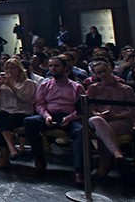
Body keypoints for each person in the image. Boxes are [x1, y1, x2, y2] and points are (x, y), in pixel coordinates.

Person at [24, 55, 85, 184]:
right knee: (29, 121)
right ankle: (39, 158)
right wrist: (47, 116)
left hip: (70, 117)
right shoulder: (45, 84)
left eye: (56, 66)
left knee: (80, 132)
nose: (53, 69)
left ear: (65, 68)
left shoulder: (76, 86)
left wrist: (69, 118)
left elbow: (82, 110)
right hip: (50, 115)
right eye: (50, 66)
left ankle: (79, 171)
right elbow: (39, 104)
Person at [85, 59, 135, 178]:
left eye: (104, 71)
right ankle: (117, 154)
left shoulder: (126, 89)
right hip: (99, 119)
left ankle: (104, 166)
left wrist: (113, 116)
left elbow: (130, 111)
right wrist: (97, 113)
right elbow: (90, 108)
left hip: (121, 121)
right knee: (96, 121)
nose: (103, 74)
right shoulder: (93, 88)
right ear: (95, 75)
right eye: (99, 73)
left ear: (110, 69)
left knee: (102, 132)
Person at [0, 59, 37, 169]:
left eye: (12, 68)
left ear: (19, 69)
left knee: (1, 124)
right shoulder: (1, 82)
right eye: (7, 68)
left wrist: (11, 86)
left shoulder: (29, 83)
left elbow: (25, 99)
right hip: (6, 113)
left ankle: (5, 156)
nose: (9, 71)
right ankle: (11, 149)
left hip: (22, 114)